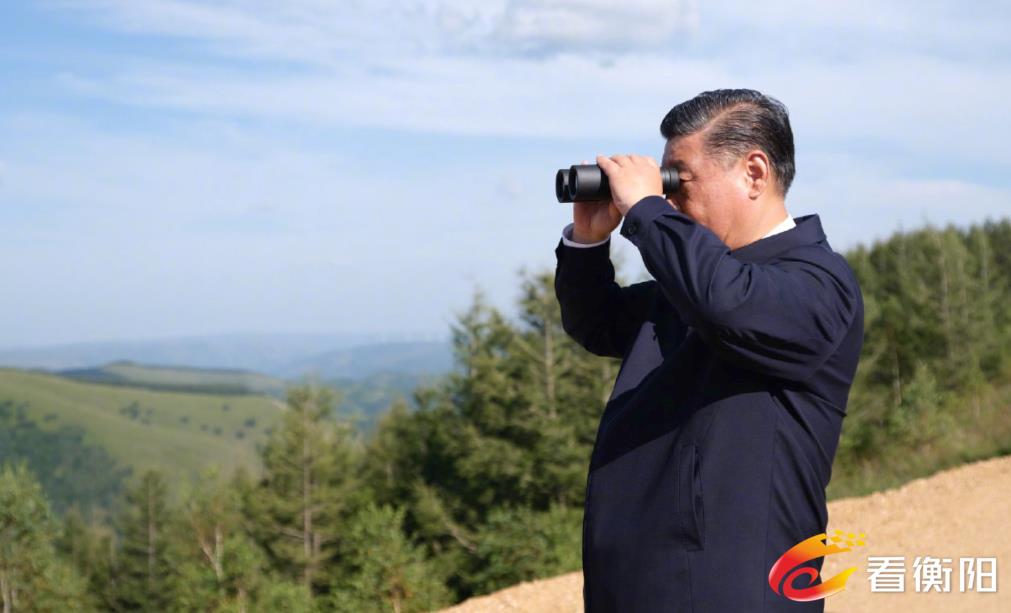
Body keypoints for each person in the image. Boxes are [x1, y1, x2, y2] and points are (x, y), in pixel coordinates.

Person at [553, 88, 864, 612]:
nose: (669, 197)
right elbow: (597, 323)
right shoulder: (697, 287)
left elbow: (727, 303)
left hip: (732, 591)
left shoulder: (817, 283)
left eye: (680, 179)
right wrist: (588, 241)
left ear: (754, 173)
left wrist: (647, 210)